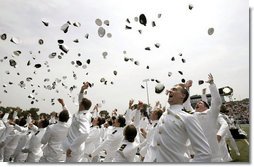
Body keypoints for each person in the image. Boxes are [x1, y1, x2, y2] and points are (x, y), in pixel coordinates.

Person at [145, 80, 211, 162]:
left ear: (183, 96)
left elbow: (205, 153)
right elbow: (154, 145)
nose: (170, 91)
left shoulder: (187, 117)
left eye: (174, 90)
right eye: (170, 89)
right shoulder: (164, 115)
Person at [183, 74, 223, 162]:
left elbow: (216, 101)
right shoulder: (193, 114)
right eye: (197, 103)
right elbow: (186, 104)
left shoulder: (211, 114)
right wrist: (187, 89)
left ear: (206, 107)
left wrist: (212, 84)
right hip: (196, 157)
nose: (197, 103)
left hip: (213, 157)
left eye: (200, 103)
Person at [62, 82, 92, 162]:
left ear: (82, 105)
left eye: (80, 102)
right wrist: (82, 89)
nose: (79, 102)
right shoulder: (84, 111)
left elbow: (85, 133)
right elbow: (80, 98)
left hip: (74, 148)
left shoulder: (83, 117)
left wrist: (72, 148)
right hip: (75, 145)